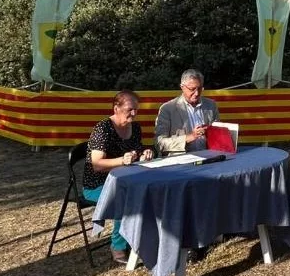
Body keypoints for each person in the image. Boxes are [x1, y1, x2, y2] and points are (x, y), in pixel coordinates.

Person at [82, 90, 154, 264]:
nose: (134, 113)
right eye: (130, 109)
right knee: (126, 199)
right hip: (97, 185)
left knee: (149, 192)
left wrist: (145, 152)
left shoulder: (135, 127)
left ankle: (141, 239)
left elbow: (136, 151)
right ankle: (118, 246)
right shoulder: (103, 128)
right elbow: (97, 164)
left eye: (136, 109)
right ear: (116, 108)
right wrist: (122, 160)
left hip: (127, 180)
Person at [155, 68, 221, 155]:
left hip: (209, 155)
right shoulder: (167, 109)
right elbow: (159, 143)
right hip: (181, 160)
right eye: (192, 89)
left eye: (200, 88)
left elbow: (217, 134)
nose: (197, 93)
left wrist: (210, 132)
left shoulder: (211, 105)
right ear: (182, 87)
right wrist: (189, 137)